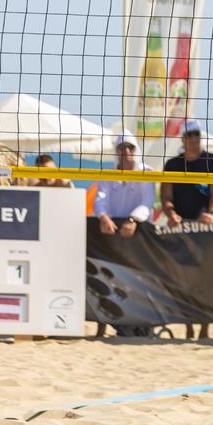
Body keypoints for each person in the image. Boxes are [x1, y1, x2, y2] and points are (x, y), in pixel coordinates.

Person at [160, 119, 213, 340]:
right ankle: (188, 326)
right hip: (183, 229)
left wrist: (212, 213)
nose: (194, 138)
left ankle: (205, 328)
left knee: (207, 280)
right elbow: (165, 195)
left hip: (207, 229)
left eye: (197, 134)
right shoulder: (173, 164)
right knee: (185, 279)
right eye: (190, 135)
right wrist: (170, 213)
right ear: (183, 139)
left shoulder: (212, 161)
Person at [91, 132, 156, 338]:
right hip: (111, 232)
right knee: (107, 280)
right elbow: (99, 201)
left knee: (139, 281)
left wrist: (133, 220)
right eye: (121, 147)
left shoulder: (146, 172)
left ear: (136, 150)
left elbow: (147, 202)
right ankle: (102, 329)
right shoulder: (109, 174)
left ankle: (144, 328)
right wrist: (103, 217)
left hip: (138, 233)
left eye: (130, 147)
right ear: (116, 151)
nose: (126, 151)